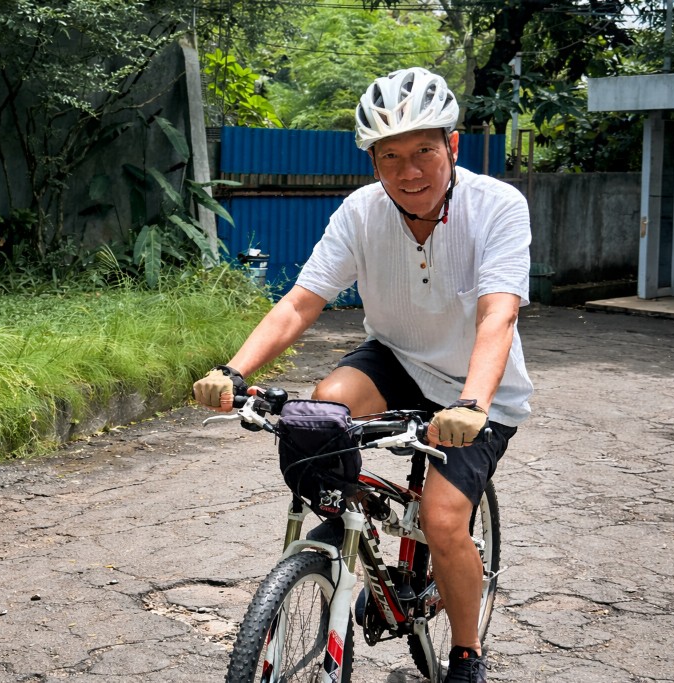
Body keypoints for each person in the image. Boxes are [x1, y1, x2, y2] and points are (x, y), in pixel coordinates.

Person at [193, 66, 532, 683]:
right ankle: (349, 538)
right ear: (373, 161)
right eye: (390, 156)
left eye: (424, 151)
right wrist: (233, 370)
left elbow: (498, 314)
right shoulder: (361, 212)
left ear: (452, 145)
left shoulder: (498, 207)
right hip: (397, 358)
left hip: (476, 389)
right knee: (321, 411)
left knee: (443, 519)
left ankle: (465, 653)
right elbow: (301, 303)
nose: (409, 171)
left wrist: (473, 403)